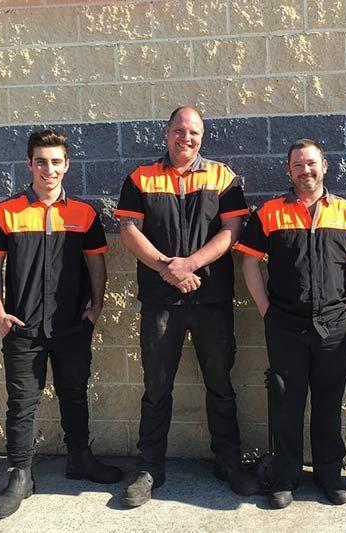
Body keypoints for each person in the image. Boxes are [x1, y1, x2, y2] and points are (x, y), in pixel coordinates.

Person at [0, 129, 122, 520]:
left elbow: (96, 262)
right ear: (29, 164)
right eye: (41, 161)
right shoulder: (5, 213)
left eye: (56, 161)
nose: (49, 169)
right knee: (22, 404)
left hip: (72, 326)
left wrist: (96, 308)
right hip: (22, 328)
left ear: (67, 165)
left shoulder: (84, 214)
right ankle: (20, 475)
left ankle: (80, 460)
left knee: (75, 393)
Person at [115, 106, 258, 507]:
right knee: (156, 386)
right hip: (161, 300)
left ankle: (228, 462)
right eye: (179, 130)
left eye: (193, 132)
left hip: (211, 298)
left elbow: (233, 230)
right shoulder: (140, 177)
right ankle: (149, 468)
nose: (186, 138)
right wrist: (168, 268)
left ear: (202, 136)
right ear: (166, 133)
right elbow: (128, 230)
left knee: (221, 385)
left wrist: (190, 265)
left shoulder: (223, 177)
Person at [236, 139, 346, 509]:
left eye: (311, 163)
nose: (305, 170)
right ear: (289, 170)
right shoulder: (269, 213)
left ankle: (330, 476)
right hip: (285, 325)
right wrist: (266, 310)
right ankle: (285, 477)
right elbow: (249, 262)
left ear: (324, 166)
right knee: (286, 403)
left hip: (335, 325)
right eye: (298, 165)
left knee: (329, 403)